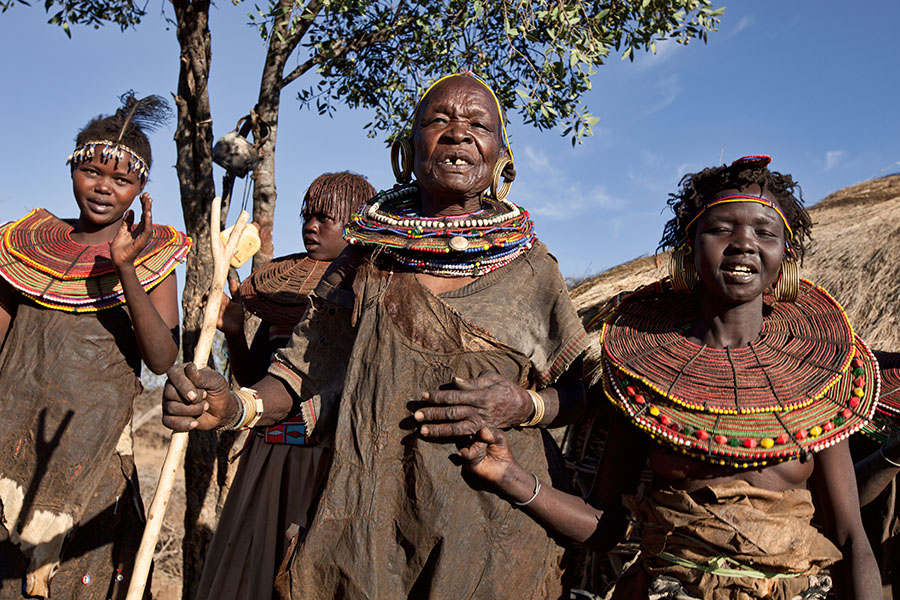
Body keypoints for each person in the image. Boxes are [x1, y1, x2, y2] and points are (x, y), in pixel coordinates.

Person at [162, 72, 587, 599]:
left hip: (489, 540)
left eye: (478, 124)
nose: (458, 132)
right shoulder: (365, 260)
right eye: (439, 121)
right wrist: (234, 407)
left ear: (502, 159)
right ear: (406, 152)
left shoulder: (532, 269)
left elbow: (581, 394)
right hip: (364, 531)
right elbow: (300, 373)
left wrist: (523, 404)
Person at [458, 155, 882, 600]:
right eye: (721, 229)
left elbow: (851, 536)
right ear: (690, 247)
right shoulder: (645, 376)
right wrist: (509, 476)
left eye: (764, 232)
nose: (743, 243)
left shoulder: (818, 377)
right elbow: (603, 527)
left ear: (784, 256)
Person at [0, 93, 190, 598]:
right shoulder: (25, 245)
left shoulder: (155, 253)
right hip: (8, 440)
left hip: (95, 453)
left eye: (122, 179)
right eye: (92, 173)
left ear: (140, 188)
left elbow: (162, 359)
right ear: (72, 168)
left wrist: (125, 267)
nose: (104, 188)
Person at [196, 171, 375, 600]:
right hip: (268, 455)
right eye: (307, 216)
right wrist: (234, 333)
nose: (311, 226)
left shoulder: (370, 302)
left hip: (326, 463)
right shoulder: (285, 301)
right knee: (250, 572)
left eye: (325, 218)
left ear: (357, 225)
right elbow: (255, 379)